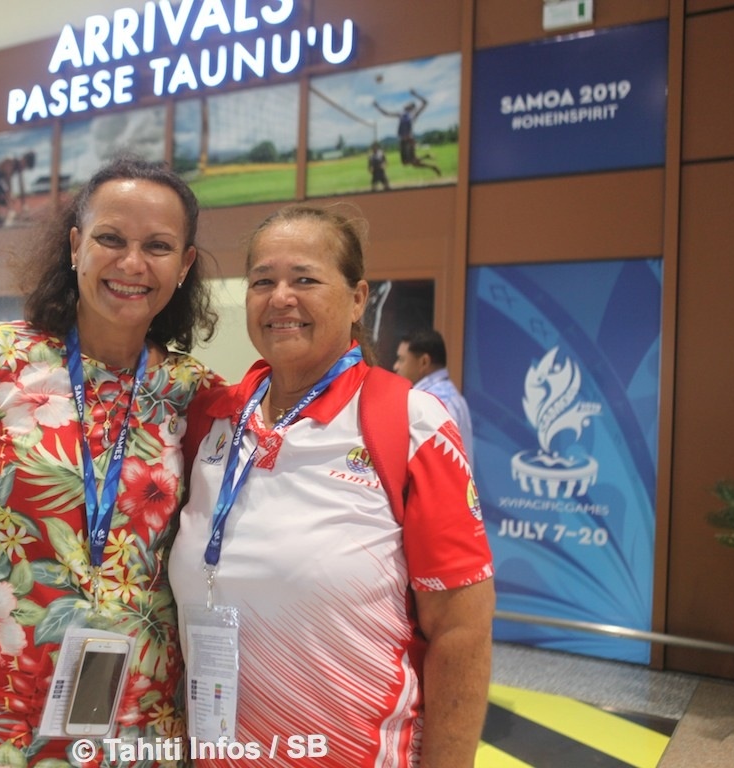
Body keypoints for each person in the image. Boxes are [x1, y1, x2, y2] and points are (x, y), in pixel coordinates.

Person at [0, 155, 221, 768]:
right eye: (110, 239)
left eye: (158, 246)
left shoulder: (194, 395)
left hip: (137, 719)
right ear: (75, 246)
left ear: (185, 266)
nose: (131, 264)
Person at [168, 205, 494, 768]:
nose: (280, 297)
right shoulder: (210, 419)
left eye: (306, 279)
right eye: (262, 281)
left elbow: (462, 632)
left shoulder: (411, 423)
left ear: (358, 298)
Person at [395, 328, 475, 464]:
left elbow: (435, 464)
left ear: (424, 362)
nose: (396, 366)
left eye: (402, 360)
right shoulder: (448, 397)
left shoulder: (433, 403)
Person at [374, 88, 442, 177]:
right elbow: (386, 114)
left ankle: (431, 164)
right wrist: (377, 106)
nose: (405, 105)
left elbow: (425, 102)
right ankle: (428, 160)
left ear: (411, 107)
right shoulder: (401, 114)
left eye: (408, 104)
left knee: (412, 162)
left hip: (409, 140)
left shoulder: (413, 114)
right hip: (402, 141)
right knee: (406, 163)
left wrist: (415, 94)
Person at [0, 150, 37, 223]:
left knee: (11, 200)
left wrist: (24, 204)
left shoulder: (19, 167)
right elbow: (8, 182)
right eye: (25, 166)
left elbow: (21, 185)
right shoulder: (10, 160)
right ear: (23, 159)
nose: (24, 168)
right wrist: (11, 208)